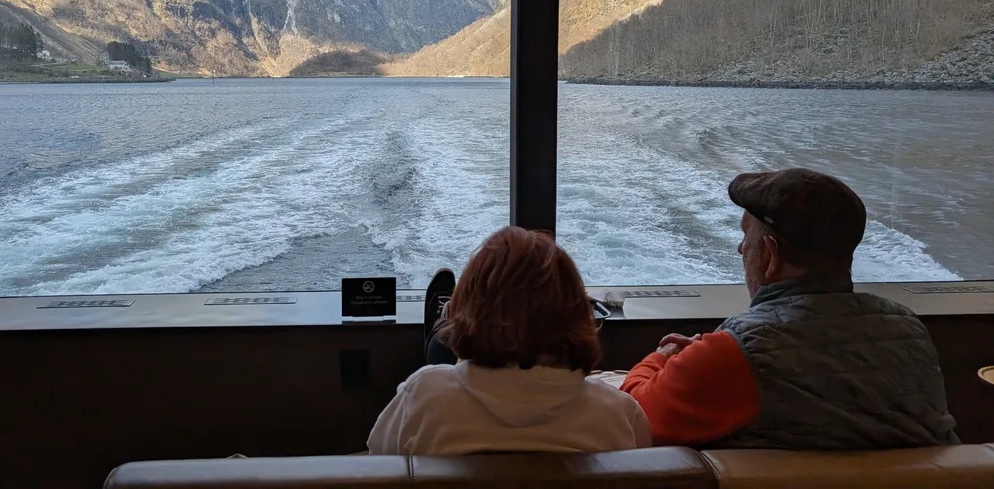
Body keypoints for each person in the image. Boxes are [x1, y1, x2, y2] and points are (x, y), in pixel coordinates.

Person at [621, 168, 959, 450]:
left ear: (770, 254)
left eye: (745, 237)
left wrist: (664, 357)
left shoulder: (730, 355)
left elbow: (630, 418)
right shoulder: (908, 330)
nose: (741, 249)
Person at [366, 227, 650, 455]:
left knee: (438, 356)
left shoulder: (422, 397)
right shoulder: (617, 413)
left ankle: (441, 337)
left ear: (467, 312)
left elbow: (381, 460)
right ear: (578, 316)